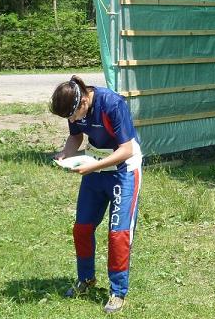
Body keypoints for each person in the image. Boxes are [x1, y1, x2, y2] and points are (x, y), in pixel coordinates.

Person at [50, 75, 143, 314]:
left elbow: (127, 149)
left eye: (73, 116)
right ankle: (86, 279)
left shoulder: (112, 104)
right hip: (95, 168)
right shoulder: (74, 105)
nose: (72, 120)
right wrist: (66, 153)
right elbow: (76, 136)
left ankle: (118, 292)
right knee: (82, 228)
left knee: (118, 234)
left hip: (123, 171)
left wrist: (93, 166)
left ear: (83, 102)